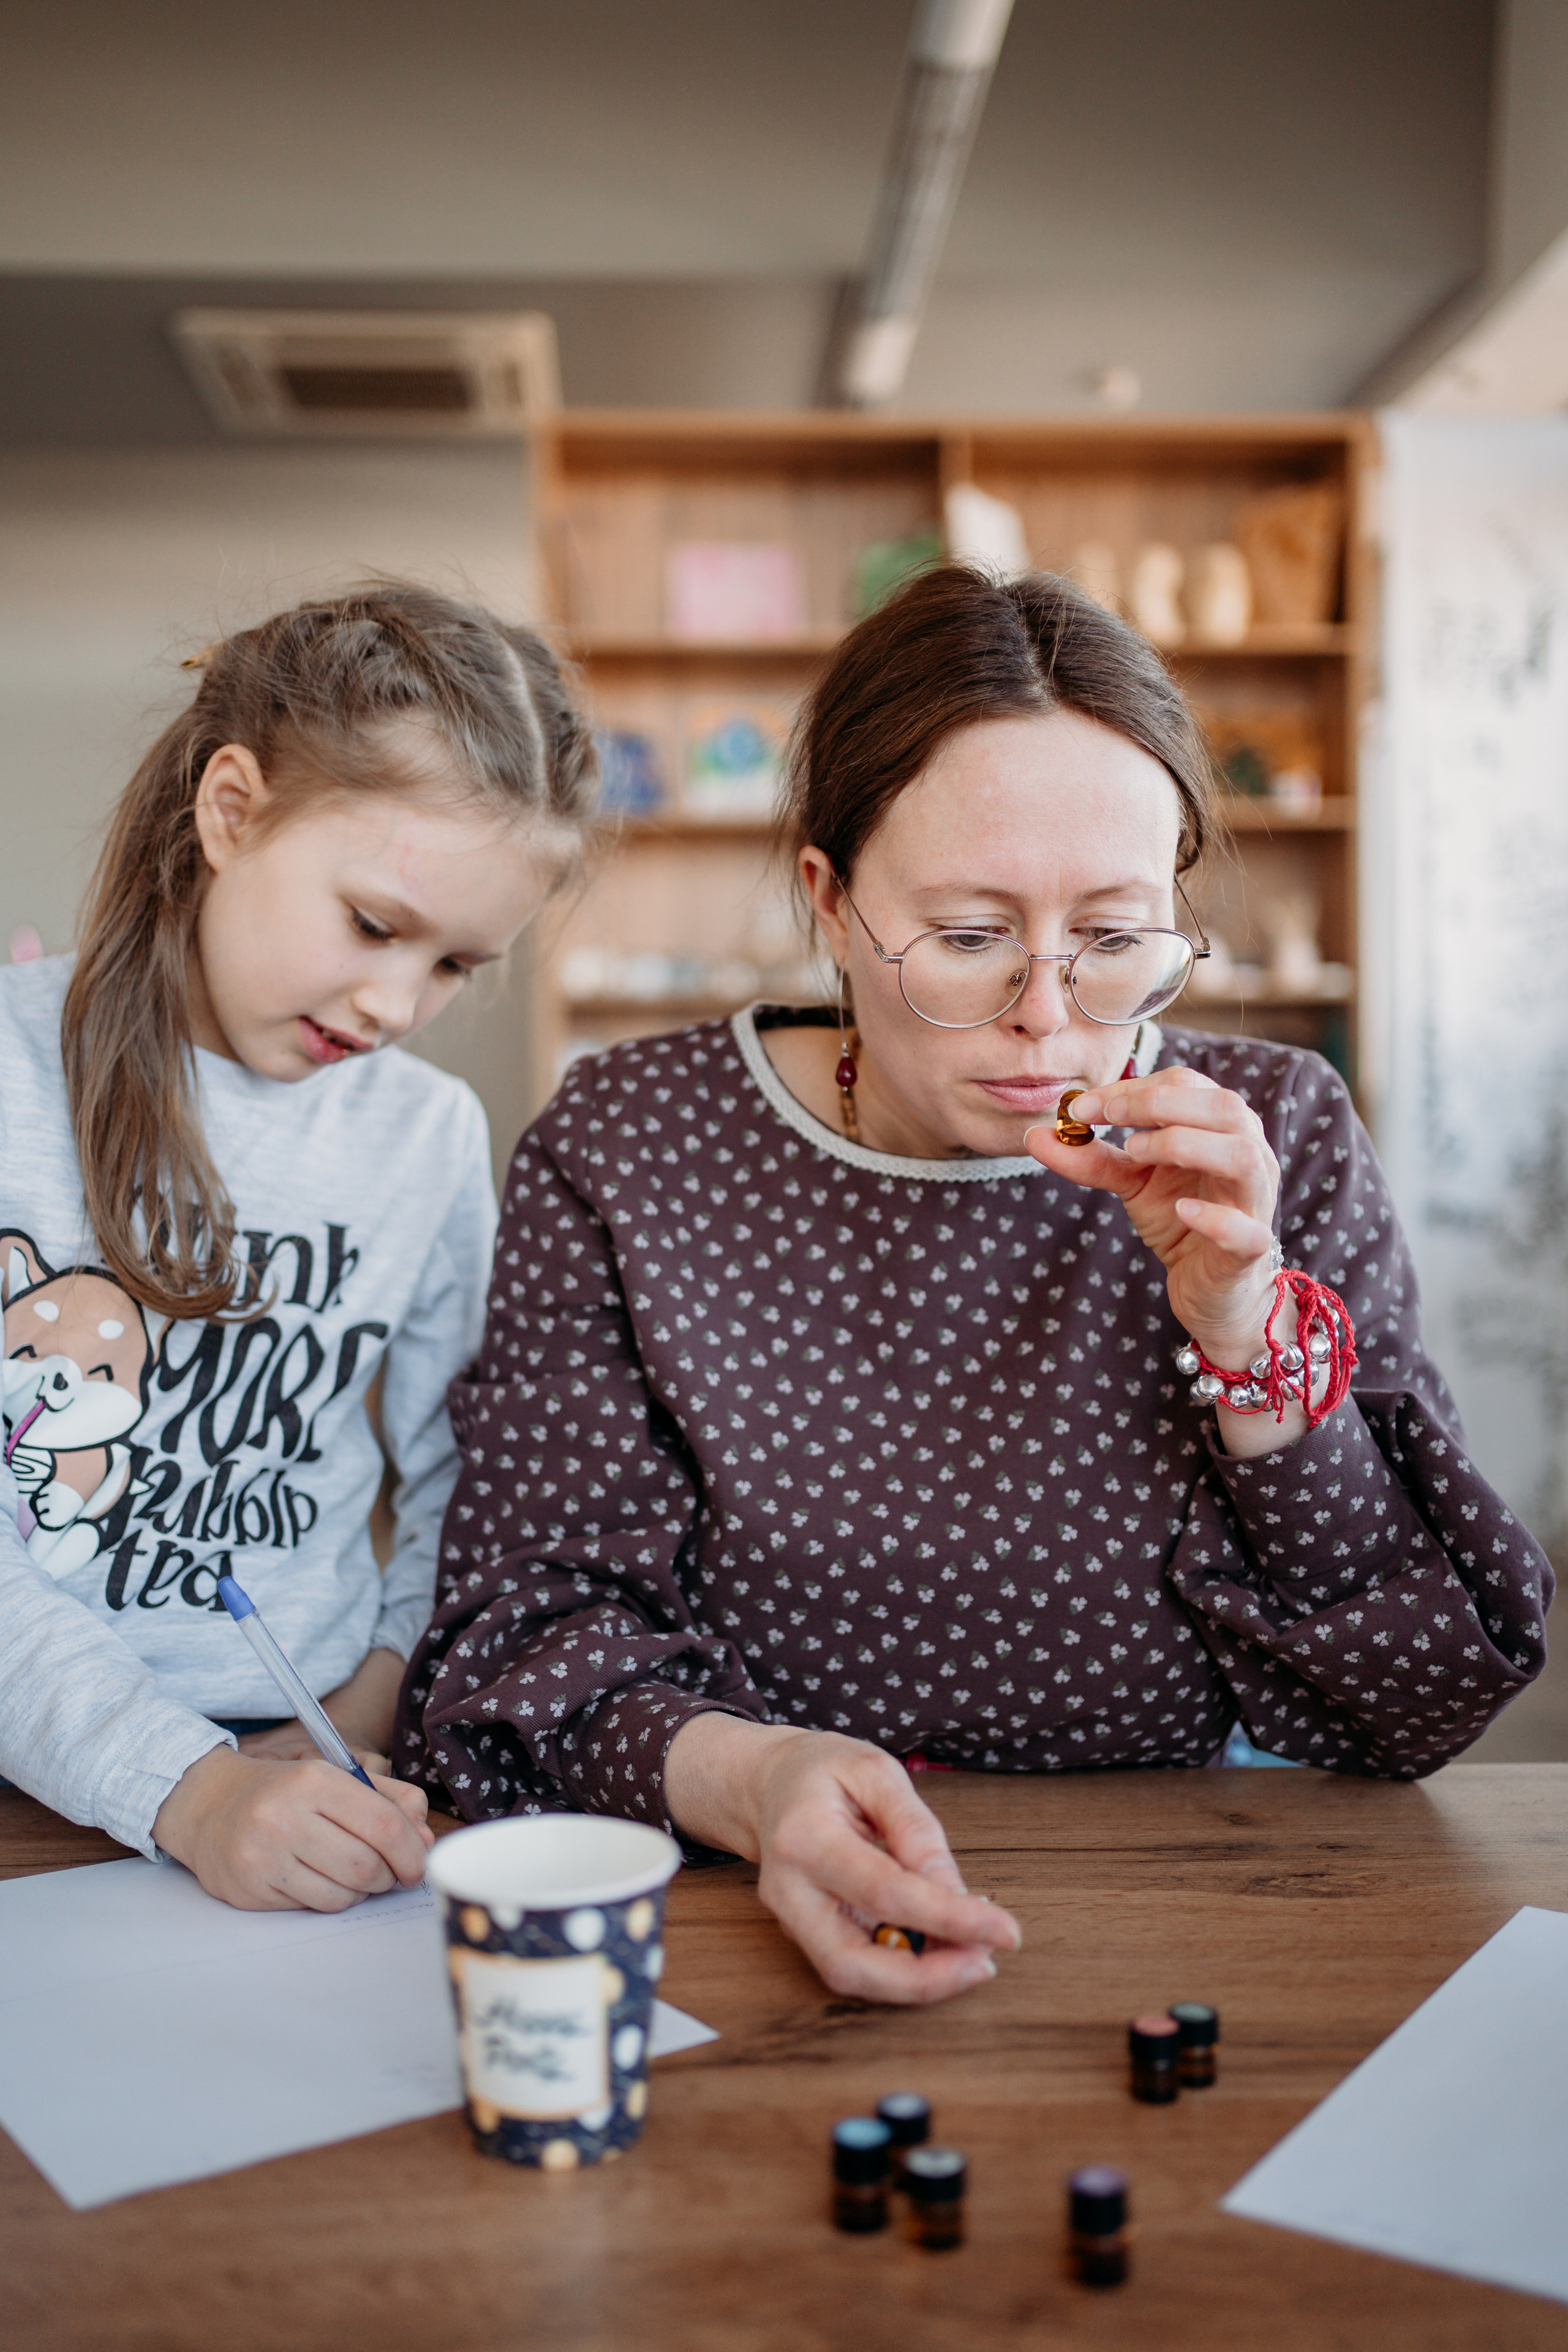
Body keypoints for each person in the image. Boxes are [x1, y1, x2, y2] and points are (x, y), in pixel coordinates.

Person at [394, 566, 1551, 2003]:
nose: (1050, 1023)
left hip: (1202, 1897)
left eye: (1116, 940)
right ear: (827, 900)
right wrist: (755, 1783)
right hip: (744, 1893)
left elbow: (1418, 1696)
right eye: (966, 938)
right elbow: (514, 1651)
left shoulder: (1274, 1132)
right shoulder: (629, 1144)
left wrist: (1245, 1337)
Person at [0, 583, 597, 1910]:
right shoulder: (7, 1076)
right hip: (42, 1776)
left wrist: (365, 1704)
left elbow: (464, 1466)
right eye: (375, 925)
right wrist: (187, 1789)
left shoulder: (429, 1133)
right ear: (232, 810)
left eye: (454, 965)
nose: (397, 1003)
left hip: (305, 1756)